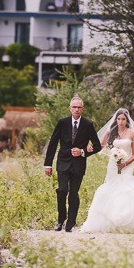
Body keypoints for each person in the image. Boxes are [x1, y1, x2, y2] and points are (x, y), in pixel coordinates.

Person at [81, 107, 134, 234]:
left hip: (126, 166)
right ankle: (110, 221)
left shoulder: (132, 133)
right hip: (113, 166)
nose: (120, 121)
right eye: (118, 119)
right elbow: (100, 146)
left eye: (123, 119)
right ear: (116, 120)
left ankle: (127, 222)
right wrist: (87, 149)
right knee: (110, 188)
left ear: (127, 120)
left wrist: (125, 163)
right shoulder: (111, 131)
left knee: (126, 189)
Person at [44, 96, 102, 232]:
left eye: (79, 107)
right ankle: (60, 220)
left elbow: (97, 145)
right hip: (63, 163)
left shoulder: (88, 125)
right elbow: (53, 143)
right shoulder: (62, 123)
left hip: (78, 164)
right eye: (74, 107)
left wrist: (82, 152)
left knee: (74, 193)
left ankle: (70, 222)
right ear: (70, 108)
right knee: (62, 190)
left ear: (82, 109)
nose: (76, 109)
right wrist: (48, 164)